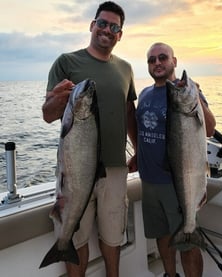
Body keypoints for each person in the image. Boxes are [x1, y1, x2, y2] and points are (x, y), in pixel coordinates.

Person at [42, 2, 137, 277]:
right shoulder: (66, 62)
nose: (107, 30)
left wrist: (139, 150)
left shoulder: (126, 69)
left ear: (120, 34)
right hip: (74, 170)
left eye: (114, 27)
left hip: (115, 169)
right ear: (92, 25)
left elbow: (129, 113)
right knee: (76, 235)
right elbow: (48, 115)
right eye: (103, 23)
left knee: (112, 237)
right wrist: (58, 99)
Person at [134, 42, 216, 277]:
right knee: (163, 236)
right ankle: (170, 275)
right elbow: (142, 130)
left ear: (174, 61)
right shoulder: (145, 93)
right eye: (152, 60)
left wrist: (197, 97)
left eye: (162, 58)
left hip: (178, 182)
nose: (157, 63)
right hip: (148, 181)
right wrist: (138, 155)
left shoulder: (190, 92)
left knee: (187, 244)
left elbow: (209, 129)